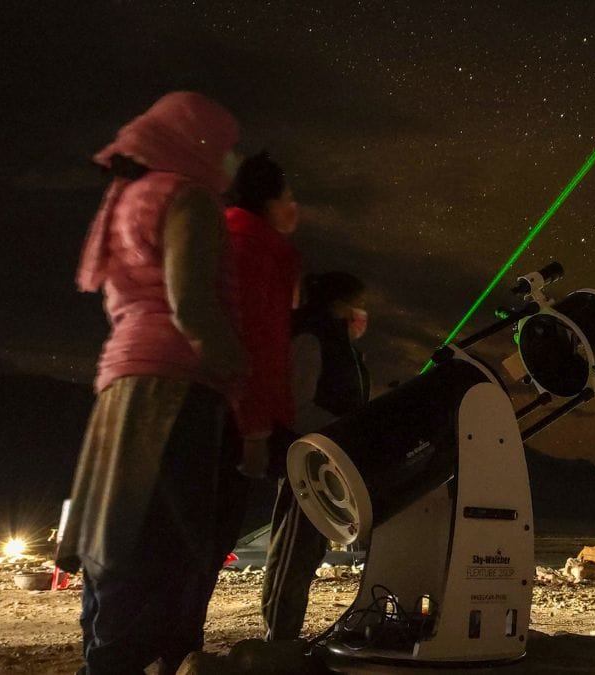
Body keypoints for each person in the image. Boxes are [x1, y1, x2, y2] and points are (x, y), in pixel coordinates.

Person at [57, 91, 247, 674]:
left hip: (121, 380)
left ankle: (105, 657)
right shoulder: (187, 197)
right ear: (198, 143)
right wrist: (239, 373)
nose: (230, 160)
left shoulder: (127, 198)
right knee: (164, 543)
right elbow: (190, 305)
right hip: (173, 386)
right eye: (226, 146)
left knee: (114, 539)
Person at [262, 271, 371, 642]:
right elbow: (295, 407)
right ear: (338, 305)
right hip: (306, 465)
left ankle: (285, 635)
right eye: (355, 304)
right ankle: (278, 639)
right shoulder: (312, 340)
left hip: (326, 462)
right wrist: (342, 432)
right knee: (293, 553)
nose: (361, 314)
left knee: (307, 555)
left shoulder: (342, 349)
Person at [223, 151, 302, 479]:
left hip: (235, 415)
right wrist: (254, 431)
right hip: (232, 422)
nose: (294, 206)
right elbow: (249, 337)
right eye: (288, 196)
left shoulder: (245, 242)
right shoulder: (250, 249)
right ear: (268, 202)